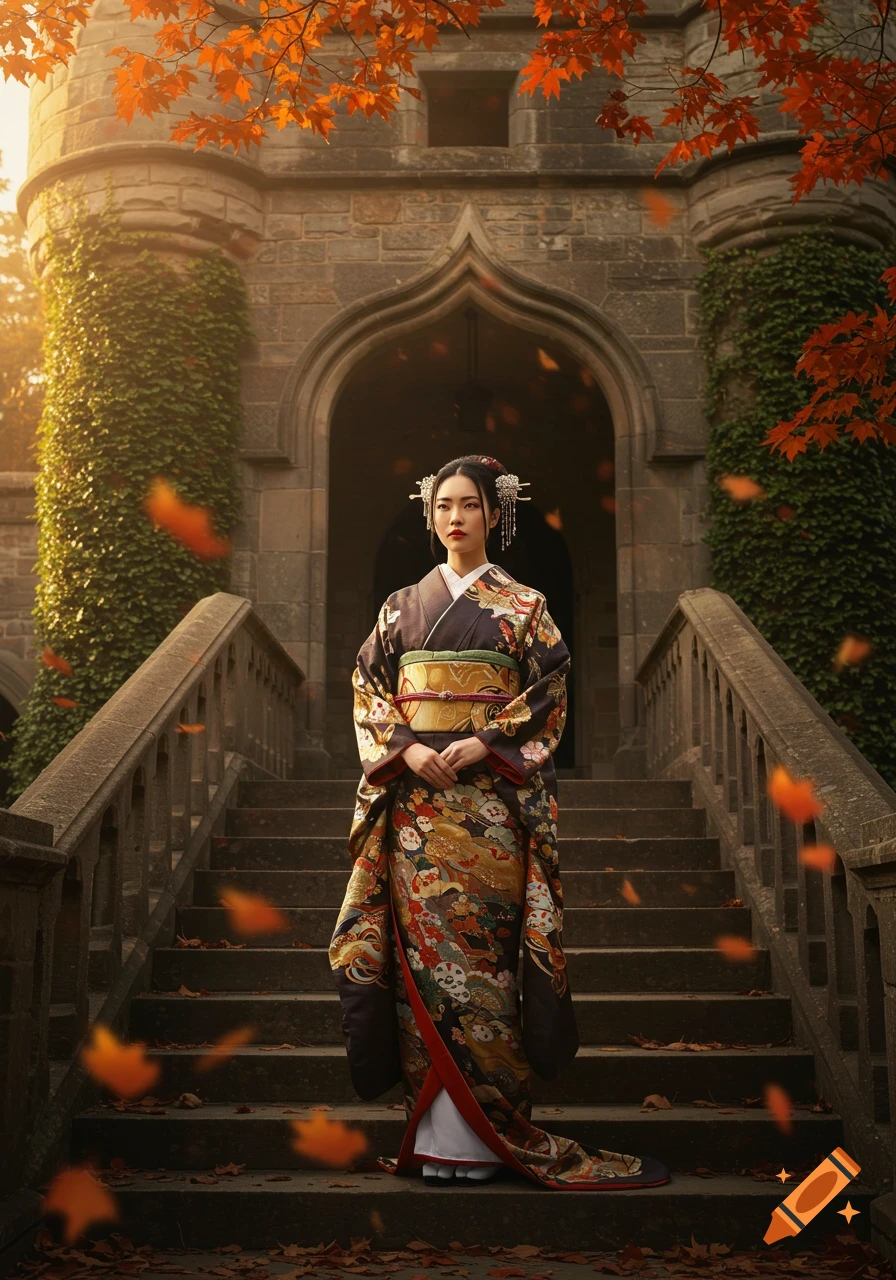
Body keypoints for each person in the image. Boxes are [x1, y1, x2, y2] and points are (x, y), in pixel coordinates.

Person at [328, 454, 670, 1191]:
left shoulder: (525, 607)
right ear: (431, 516)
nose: (455, 517)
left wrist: (486, 741)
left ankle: (492, 1135)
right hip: (416, 816)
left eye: (469, 505)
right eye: (443, 505)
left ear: (494, 514)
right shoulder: (399, 607)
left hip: (490, 813)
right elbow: (367, 688)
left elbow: (550, 691)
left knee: (482, 968)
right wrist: (407, 749)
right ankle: (436, 1139)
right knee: (422, 972)